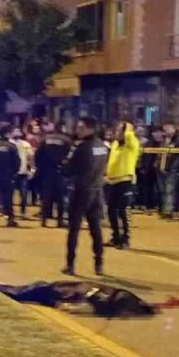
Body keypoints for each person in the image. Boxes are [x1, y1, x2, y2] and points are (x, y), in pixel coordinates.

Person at [63, 115, 108, 276]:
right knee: (95, 229)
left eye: (81, 127)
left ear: (90, 128)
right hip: (96, 190)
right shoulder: (102, 146)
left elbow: (68, 169)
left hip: (81, 191)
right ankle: (99, 263)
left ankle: (70, 264)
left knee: (74, 229)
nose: (78, 130)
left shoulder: (82, 148)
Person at [105, 120, 140, 248]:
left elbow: (129, 135)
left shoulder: (132, 144)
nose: (116, 132)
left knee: (124, 211)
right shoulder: (115, 144)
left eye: (119, 130)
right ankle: (116, 237)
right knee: (111, 210)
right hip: (112, 181)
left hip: (126, 181)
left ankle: (126, 239)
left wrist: (126, 128)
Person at [36, 121, 70, 227]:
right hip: (60, 171)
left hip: (47, 171)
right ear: (62, 128)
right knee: (60, 197)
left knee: (46, 196)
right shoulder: (66, 140)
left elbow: (38, 154)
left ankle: (44, 220)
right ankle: (60, 220)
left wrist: (40, 168)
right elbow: (70, 156)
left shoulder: (46, 138)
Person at [12, 127, 34, 217]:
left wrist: (32, 170)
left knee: (24, 193)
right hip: (12, 172)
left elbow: (31, 158)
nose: (17, 132)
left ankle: (23, 212)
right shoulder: (9, 143)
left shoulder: (26, 144)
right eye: (15, 131)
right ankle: (9, 212)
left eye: (18, 131)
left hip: (23, 172)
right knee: (9, 194)